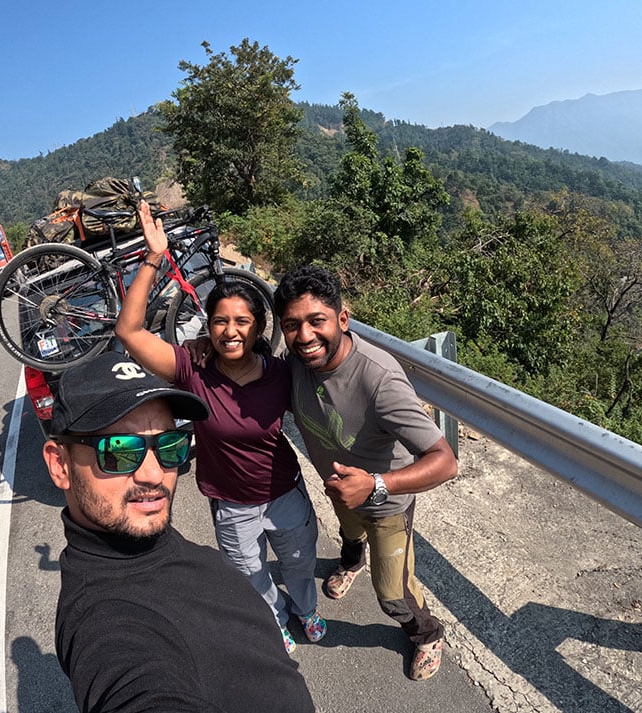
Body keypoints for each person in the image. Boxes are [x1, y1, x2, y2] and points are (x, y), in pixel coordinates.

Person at [42, 350, 315, 713]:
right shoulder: (105, 621)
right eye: (120, 451)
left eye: (169, 447)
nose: (154, 475)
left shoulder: (156, 546)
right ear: (60, 465)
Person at [112, 200, 326, 654]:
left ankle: (306, 609)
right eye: (221, 321)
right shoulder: (192, 369)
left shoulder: (280, 373)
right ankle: (276, 621)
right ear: (208, 328)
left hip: (284, 492)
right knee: (251, 576)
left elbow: (332, 373)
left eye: (242, 321)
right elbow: (129, 332)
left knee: (299, 562)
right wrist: (154, 256)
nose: (231, 330)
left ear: (258, 328)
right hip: (231, 505)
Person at [272, 265, 459, 681]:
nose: (304, 336)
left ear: (342, 318)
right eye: (292, 325)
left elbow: (445, 460)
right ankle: (351, 562)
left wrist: (375, 484)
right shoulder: (296, 362)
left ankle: (427, 634)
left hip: (386, 501)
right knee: (349, 534)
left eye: (317, 321)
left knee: (393, 594)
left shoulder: (379, 380)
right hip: (342, 491)